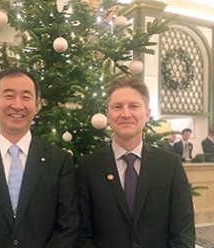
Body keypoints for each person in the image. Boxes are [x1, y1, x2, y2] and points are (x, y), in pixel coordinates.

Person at [0, 68, 79, 247]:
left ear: (37, 105)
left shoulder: (59, 162)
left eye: (26, 97)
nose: (17, 105)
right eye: (9, 96)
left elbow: (68, 225)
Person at [76, 76, 195, 247]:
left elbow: (183, 231)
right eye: (117, 107)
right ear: (108, 115)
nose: (125, 114)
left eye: (134, 106)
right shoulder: (89, 167)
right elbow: (82, 234)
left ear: (147, 114)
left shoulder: (170, 165)